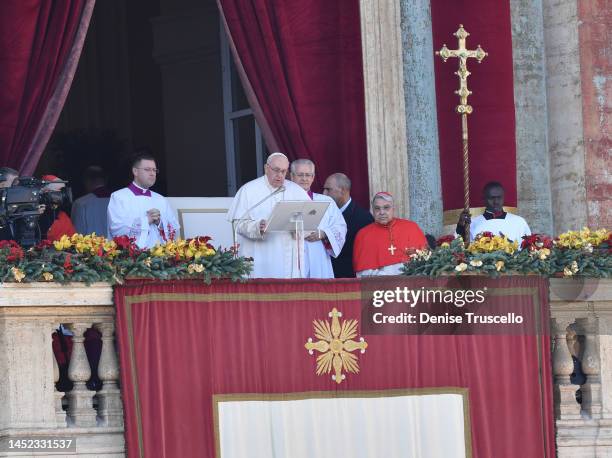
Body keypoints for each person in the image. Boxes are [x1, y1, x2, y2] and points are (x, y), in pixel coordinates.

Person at [227, 152, 310, 278]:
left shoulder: (296, 191)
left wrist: (300, 229)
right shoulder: (248, 190)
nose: (280, 175)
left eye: (283, 171)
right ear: (266, 168)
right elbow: (237, 223)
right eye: (276, 170)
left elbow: (310, 222)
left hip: (288, 261)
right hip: (260, 258)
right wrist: (256, 226)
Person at [107, 154, 179, 249]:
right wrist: (146, 220)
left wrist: (160, 222)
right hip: (130, 259)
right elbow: (117, 228)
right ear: (135, 171)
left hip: (160, 257)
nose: (152, 173)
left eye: (154, 170)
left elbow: (175, 229)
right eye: (147, 169)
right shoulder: (119, 197)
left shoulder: (161, 199)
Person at [290, 159, 346, 278]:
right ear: (292, 176)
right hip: (292, 257)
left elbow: (340, 226)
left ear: (313, 177)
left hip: (318, 255)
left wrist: (324, 233)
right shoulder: (283, 201)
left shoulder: (326, 201)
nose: (304, 179)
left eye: (308, 175)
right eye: (300, 175)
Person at [353, 192, 427, 276]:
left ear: (393, 208)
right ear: (372, 210)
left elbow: (426, 262)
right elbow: (362, 273)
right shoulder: (363, 235)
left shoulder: (411, 228)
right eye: (377, 208)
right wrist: (386, 278)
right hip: (380, 286)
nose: (382, 212)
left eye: (386, 207)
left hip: (411, 283)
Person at [323, 173, 373, 278]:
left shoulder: (364, 218)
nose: (324, 193)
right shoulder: (322, 213)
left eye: (328, 189)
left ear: (342, 190)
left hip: (348, 280)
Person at [456, 181, 531, 243]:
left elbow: (528, 248)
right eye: (492, 198)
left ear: (503, 197)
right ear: (484, 199)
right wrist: (461, 226)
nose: (496, 202)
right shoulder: (472, 223)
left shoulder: (519, 222)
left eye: (499, 198)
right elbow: (460, 246)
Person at [71, 166, 111, 235]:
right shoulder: (120, 201)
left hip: (91, 245)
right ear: (106, 180)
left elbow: (77, 233)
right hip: (115, 245)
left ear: (87, 181)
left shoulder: (80, 203)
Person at [39, 175, 77, 241]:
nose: (61, 197)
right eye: (58, 193)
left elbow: (74, 240)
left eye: (62, 192)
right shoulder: (35, 214)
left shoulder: (63, 217)